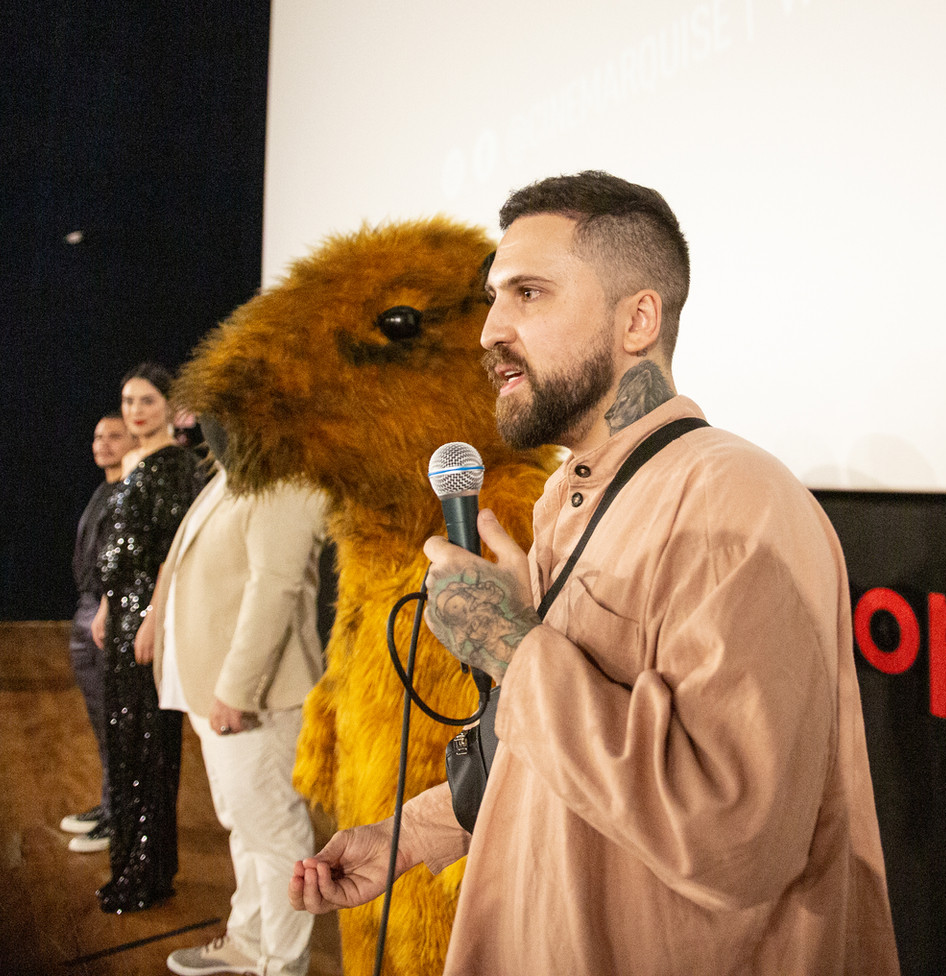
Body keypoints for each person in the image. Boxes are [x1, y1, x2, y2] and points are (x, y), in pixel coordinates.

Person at [290, 172, 899, 974]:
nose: (489, 331)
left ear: (638, 319)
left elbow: (735, 839)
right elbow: (564, 755)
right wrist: (411, 837)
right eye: (492, 297)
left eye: (529, 293)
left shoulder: (735, 499)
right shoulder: (565, 499)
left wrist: (513, 646)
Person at [134, 415, 330, 976]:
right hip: (212, 691)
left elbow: (275, 586)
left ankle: (282, 963)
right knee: (245, 824)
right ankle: (249, 941)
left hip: (253, 701)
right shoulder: (232, 473)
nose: (200, 419)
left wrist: (238, 691)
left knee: (274, 831)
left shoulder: (283, 477)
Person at [92, 362, 201, 913]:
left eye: (147, 401)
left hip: (147, 620)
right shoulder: (135, 461)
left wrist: (154, 614)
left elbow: (174, 551)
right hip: (123, 615)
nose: (135, 410)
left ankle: (147, 871)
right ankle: (131, 863)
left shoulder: (176, 465)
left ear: (167, 407)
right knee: (123, 744)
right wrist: (110, 605)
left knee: (148, 747)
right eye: (128, 400)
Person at [60, 413, 135, 853]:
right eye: (97, 436)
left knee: (118, 721)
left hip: (109, 616)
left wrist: (107, 607)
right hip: (86, 610)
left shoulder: (129, 495)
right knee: (102, 721)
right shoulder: (103, 491)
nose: (102, 443)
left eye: (114, 436)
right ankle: (109, 806)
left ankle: (121, 816)